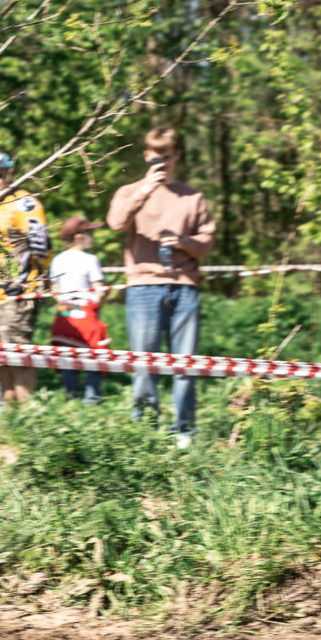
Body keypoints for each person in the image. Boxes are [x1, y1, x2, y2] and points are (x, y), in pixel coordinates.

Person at [106, 124, 215, 446]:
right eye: (156, 156)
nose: (162, 162)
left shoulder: (192, 196)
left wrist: (184, 242)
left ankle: (184, 431)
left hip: (184, 287)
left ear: (176, 156)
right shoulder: (129, 191)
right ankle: (144, 431)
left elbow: (207, 243)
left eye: (167, 156)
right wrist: (145, 190)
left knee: (185, 364)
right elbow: (116, 223)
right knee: (144, 363)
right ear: (146, 156)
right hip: (143, 286)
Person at [0, 150, 51, 407]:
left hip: (17, 293)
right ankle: (10, 414)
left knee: (16, 355)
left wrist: (31, 280)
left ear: (10, 173)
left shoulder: (24, 203)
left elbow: (42, 246)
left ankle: (27, 414)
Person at [48, 216, 109, 403]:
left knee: (68, 356)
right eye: (90, 233)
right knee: (94, 355)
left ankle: (71, 397)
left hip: (65, 313)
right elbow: (99, 290)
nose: (93, 236)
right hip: (86, 312)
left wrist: (65, 302)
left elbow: (55, 290)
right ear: (78, 237)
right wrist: (98, 303)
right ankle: (91, 397)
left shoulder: (57, 260)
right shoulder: (91, 259)